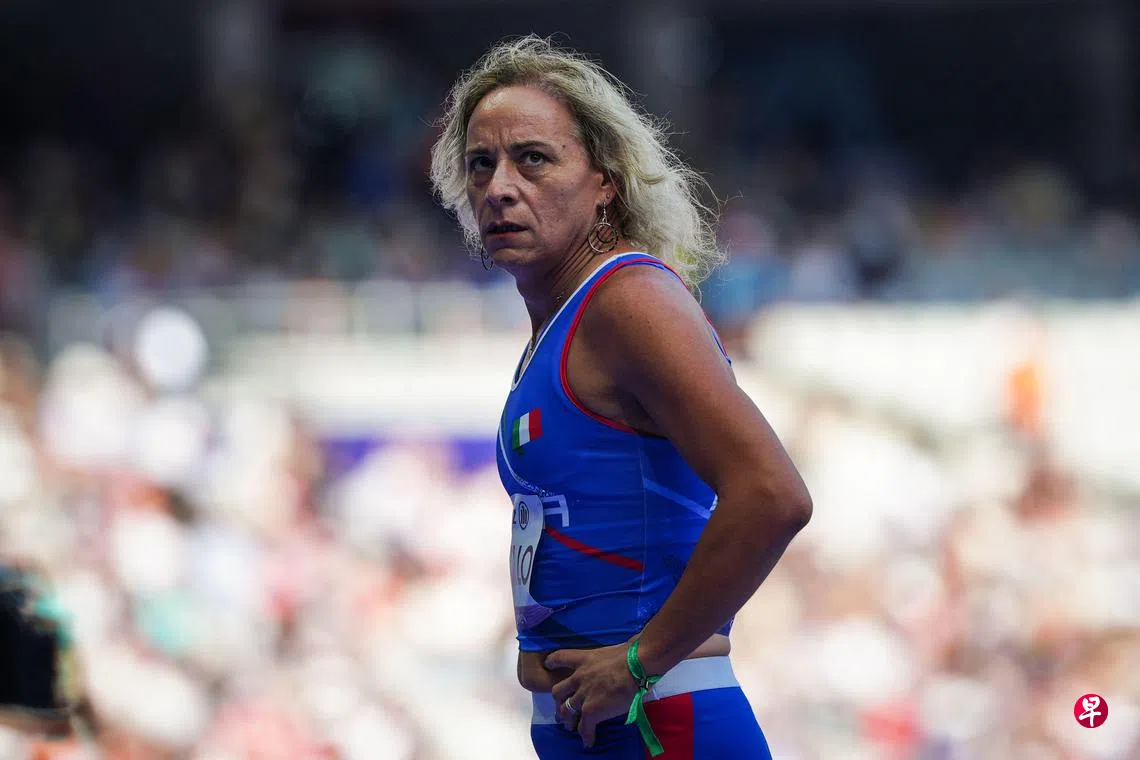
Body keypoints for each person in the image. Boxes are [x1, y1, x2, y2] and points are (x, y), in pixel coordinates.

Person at [430, 36, 812, 759]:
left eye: (532, 159)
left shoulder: (628, 301)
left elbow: (773, 495)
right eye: (481, 164)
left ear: (604, 181)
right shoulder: (561, 318)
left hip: (658, 721)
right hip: (594, 727)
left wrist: (640, 661)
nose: (500, 186)